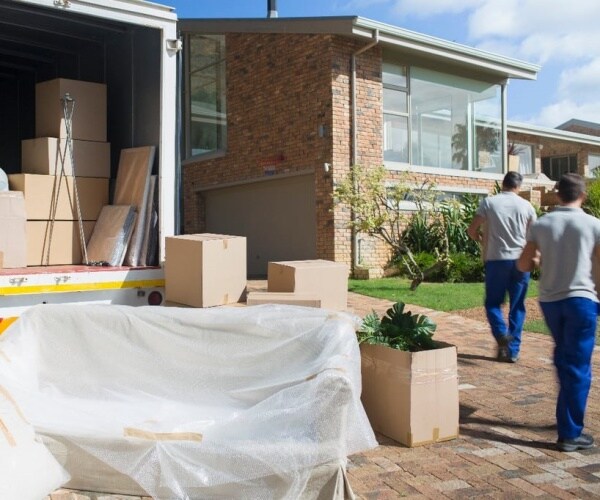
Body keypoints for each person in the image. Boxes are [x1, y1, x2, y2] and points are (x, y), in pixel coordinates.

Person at [518, 173, 600, 452]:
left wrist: (541, 259)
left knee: (566, 359)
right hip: (581, 301)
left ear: (557, 195)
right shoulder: (593, 224)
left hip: (550, 302)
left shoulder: (542, 224)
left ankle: (566, 417)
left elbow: (524, 265)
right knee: (578, 366)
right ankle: (570, 434)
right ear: (583, 195)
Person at [467, 171, 537, 363]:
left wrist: (480, 238)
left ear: (502, 184)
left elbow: (472, 230)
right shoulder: (527, 206)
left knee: (492, 303)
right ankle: (512, 351)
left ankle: (500, 335)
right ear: (518, 186)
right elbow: (534, 237)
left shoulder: (489, 203)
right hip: (521, 261)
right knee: (517, 306)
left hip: (497, 260)